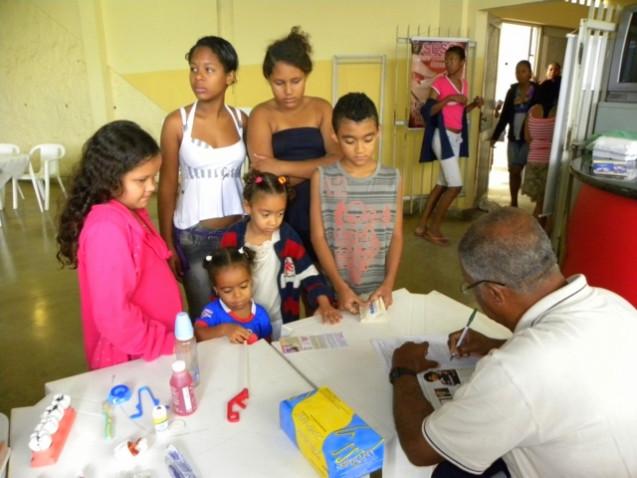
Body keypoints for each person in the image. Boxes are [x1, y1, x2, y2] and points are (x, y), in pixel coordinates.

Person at [391, 208, 637, 477]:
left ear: (495, 293)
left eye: (470, 287)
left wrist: (403, 370)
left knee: (447, 470)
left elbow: (419, 450)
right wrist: (494, 344)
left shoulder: (516, 370)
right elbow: (577, 358)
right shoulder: (611, 303)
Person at [56, 121, 182, 370]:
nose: (152, 187)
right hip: (133, 357)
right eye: (141, 180)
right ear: (110, 178)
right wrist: (166, 344)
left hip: (151, 350)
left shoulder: (130, 210)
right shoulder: (107, 229)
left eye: (153, 177)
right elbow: (114, 317)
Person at [159, 36, 248, 320]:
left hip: (238, 233)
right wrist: (167, 243)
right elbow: (168, 184)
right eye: (194, 68)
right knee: (205, 318)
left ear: (230, 76)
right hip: (194, 238)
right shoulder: (177, 122)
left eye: (209, 69)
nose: (199, 77)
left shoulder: (241, 120)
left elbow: (259, 171)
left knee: (241, 310)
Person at [247, 26, 341, 259]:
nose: (288, 91)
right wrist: (318, 168)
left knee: (322, 284)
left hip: (325, 210)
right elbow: (264, 179)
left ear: (306, 75)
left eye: (296, 81)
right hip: (280, 215)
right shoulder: (261, 115)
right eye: (279, 83)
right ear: (268, 78)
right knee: (285, 281)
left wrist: (281, 168)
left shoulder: (322, 108)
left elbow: (338, 160)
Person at [310, 92, 403, 314]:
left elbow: (396, 235)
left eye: (368, 139)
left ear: (378, 131)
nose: (360, 149)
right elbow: (318, 236)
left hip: (378, 291)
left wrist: (389, 283)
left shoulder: (393, 178)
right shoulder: (322, 177)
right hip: (335, 290)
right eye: (349, 141)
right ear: (335, 135)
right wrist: (340, 287)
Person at [220, 170, 341, 338]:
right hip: (241, 324)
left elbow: (309, 273)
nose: (274, 221)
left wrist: (325, 303)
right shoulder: (233, 238)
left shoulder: (287, 237)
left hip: (280, 321)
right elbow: (220, 280)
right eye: (266, 214)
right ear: (248, 207)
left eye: (280, 213)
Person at [415, 45, 483, 246]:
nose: (448, 63)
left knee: (442, 185)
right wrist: (450, 98)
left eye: (452, 59)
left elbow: (460, 113)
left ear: (462, 62)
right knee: (455, 186)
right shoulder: (439, 83)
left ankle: (421, 225)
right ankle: (433, 229)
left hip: (455, 139)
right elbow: (429, 111)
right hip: (441, 138)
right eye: (447, 59)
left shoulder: (464, 84)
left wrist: (473, 105)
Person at [194, 247, 272, 343]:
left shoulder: (261, 315)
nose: (237, 295)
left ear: (251, 282)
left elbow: (268, 347)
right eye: (227, 291)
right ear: (216, 290)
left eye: (243, 287)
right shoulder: (212, 311)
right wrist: (224, 330)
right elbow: (197, 334)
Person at [491, 60, 537, 208]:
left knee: (518, 168)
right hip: (513, 136)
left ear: (530, 73)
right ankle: (514, 201)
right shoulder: (512, 92)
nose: (519, 74)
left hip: (528, 138)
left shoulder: (536, 91)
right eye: (517, 71)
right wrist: (495, 135)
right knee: (513, 170)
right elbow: (504, 115)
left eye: (523, 71)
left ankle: (524, 201)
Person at [522, 81, 557, 224]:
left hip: (533, 160)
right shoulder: (557, 113)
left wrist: (537, 145)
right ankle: (537, 232)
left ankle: (535, 230)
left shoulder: (531, 111)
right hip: (549, 162)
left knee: (539, 203)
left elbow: (527, 137)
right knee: (544, 204)